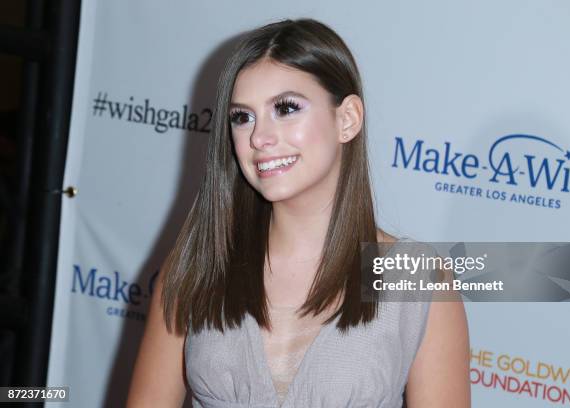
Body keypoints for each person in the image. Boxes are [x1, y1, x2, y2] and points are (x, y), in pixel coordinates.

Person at [127, 18, 469, 408]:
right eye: (242, 117)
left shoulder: (418, 279)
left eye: (286, 108)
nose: (259, 137)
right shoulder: (197, 267)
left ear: (348, 119)